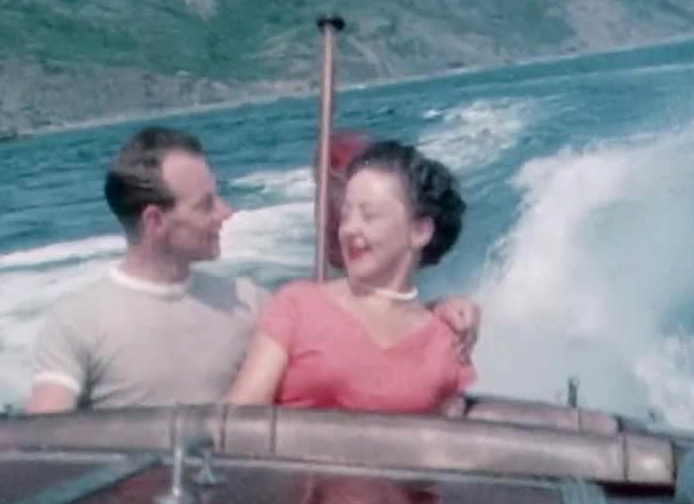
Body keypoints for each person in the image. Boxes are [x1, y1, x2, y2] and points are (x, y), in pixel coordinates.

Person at [26, 126, 479, 413]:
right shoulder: (78, 321)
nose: (226, 212)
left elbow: (349, 321)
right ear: (155, 222)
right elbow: (44, 443)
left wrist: (438, 311)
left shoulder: (250, 302)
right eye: (206, 204)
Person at [225, 139, 476, 415]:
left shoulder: (447, 339)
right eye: (346, 215)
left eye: (369, 216)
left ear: (419, 232)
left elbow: (449, 434)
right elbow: (238, 419)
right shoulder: (297, 306)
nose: (349, 229)